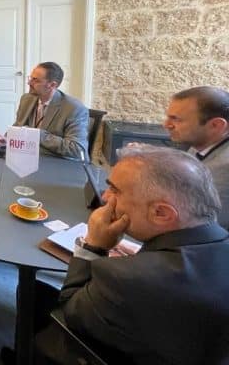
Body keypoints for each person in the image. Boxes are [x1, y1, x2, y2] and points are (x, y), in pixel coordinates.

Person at [46, 146, 229, 365]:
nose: (105, 197)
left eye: (115, 190)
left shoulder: (126, 277)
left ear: (161, 213)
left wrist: (93, 246)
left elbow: (71, 310)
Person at [0, 62, 88, 159]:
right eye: (30, 78)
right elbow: (18, 126)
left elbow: (77, 149)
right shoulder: (26, 99)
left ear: (52, 85)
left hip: (58, 161)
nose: (29, 83)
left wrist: (36, 134)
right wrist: (7, 140)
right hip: (29, 158)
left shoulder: (74, 108)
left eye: (35, 80)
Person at [164, 86, 229, 229]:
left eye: (176, 119)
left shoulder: (225, 167)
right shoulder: (200, 143)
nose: (166, 125)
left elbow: (201, 225)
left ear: (216, 125)